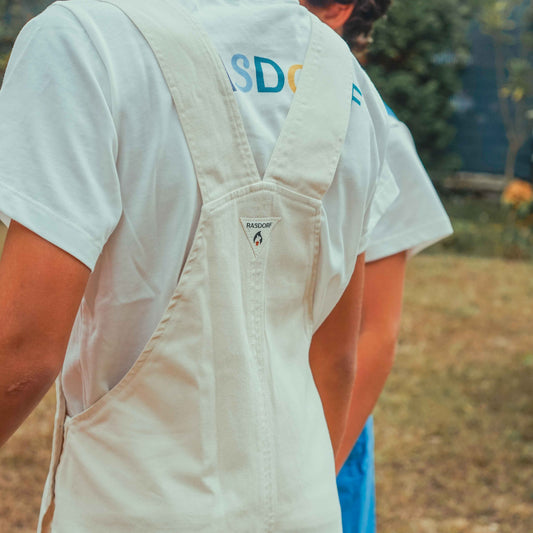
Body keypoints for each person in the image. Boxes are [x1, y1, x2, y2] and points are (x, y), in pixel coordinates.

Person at [0, 0, 399, 531]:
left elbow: (22, 347)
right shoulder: (346, 78)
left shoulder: (82, 40)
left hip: (131, 508)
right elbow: (335, 358)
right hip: (305, 508)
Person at [299, 1, 453, 532]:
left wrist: (315, 480)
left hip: (325, 433)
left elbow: (375, 333)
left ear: (335, 10)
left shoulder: (374, 127)